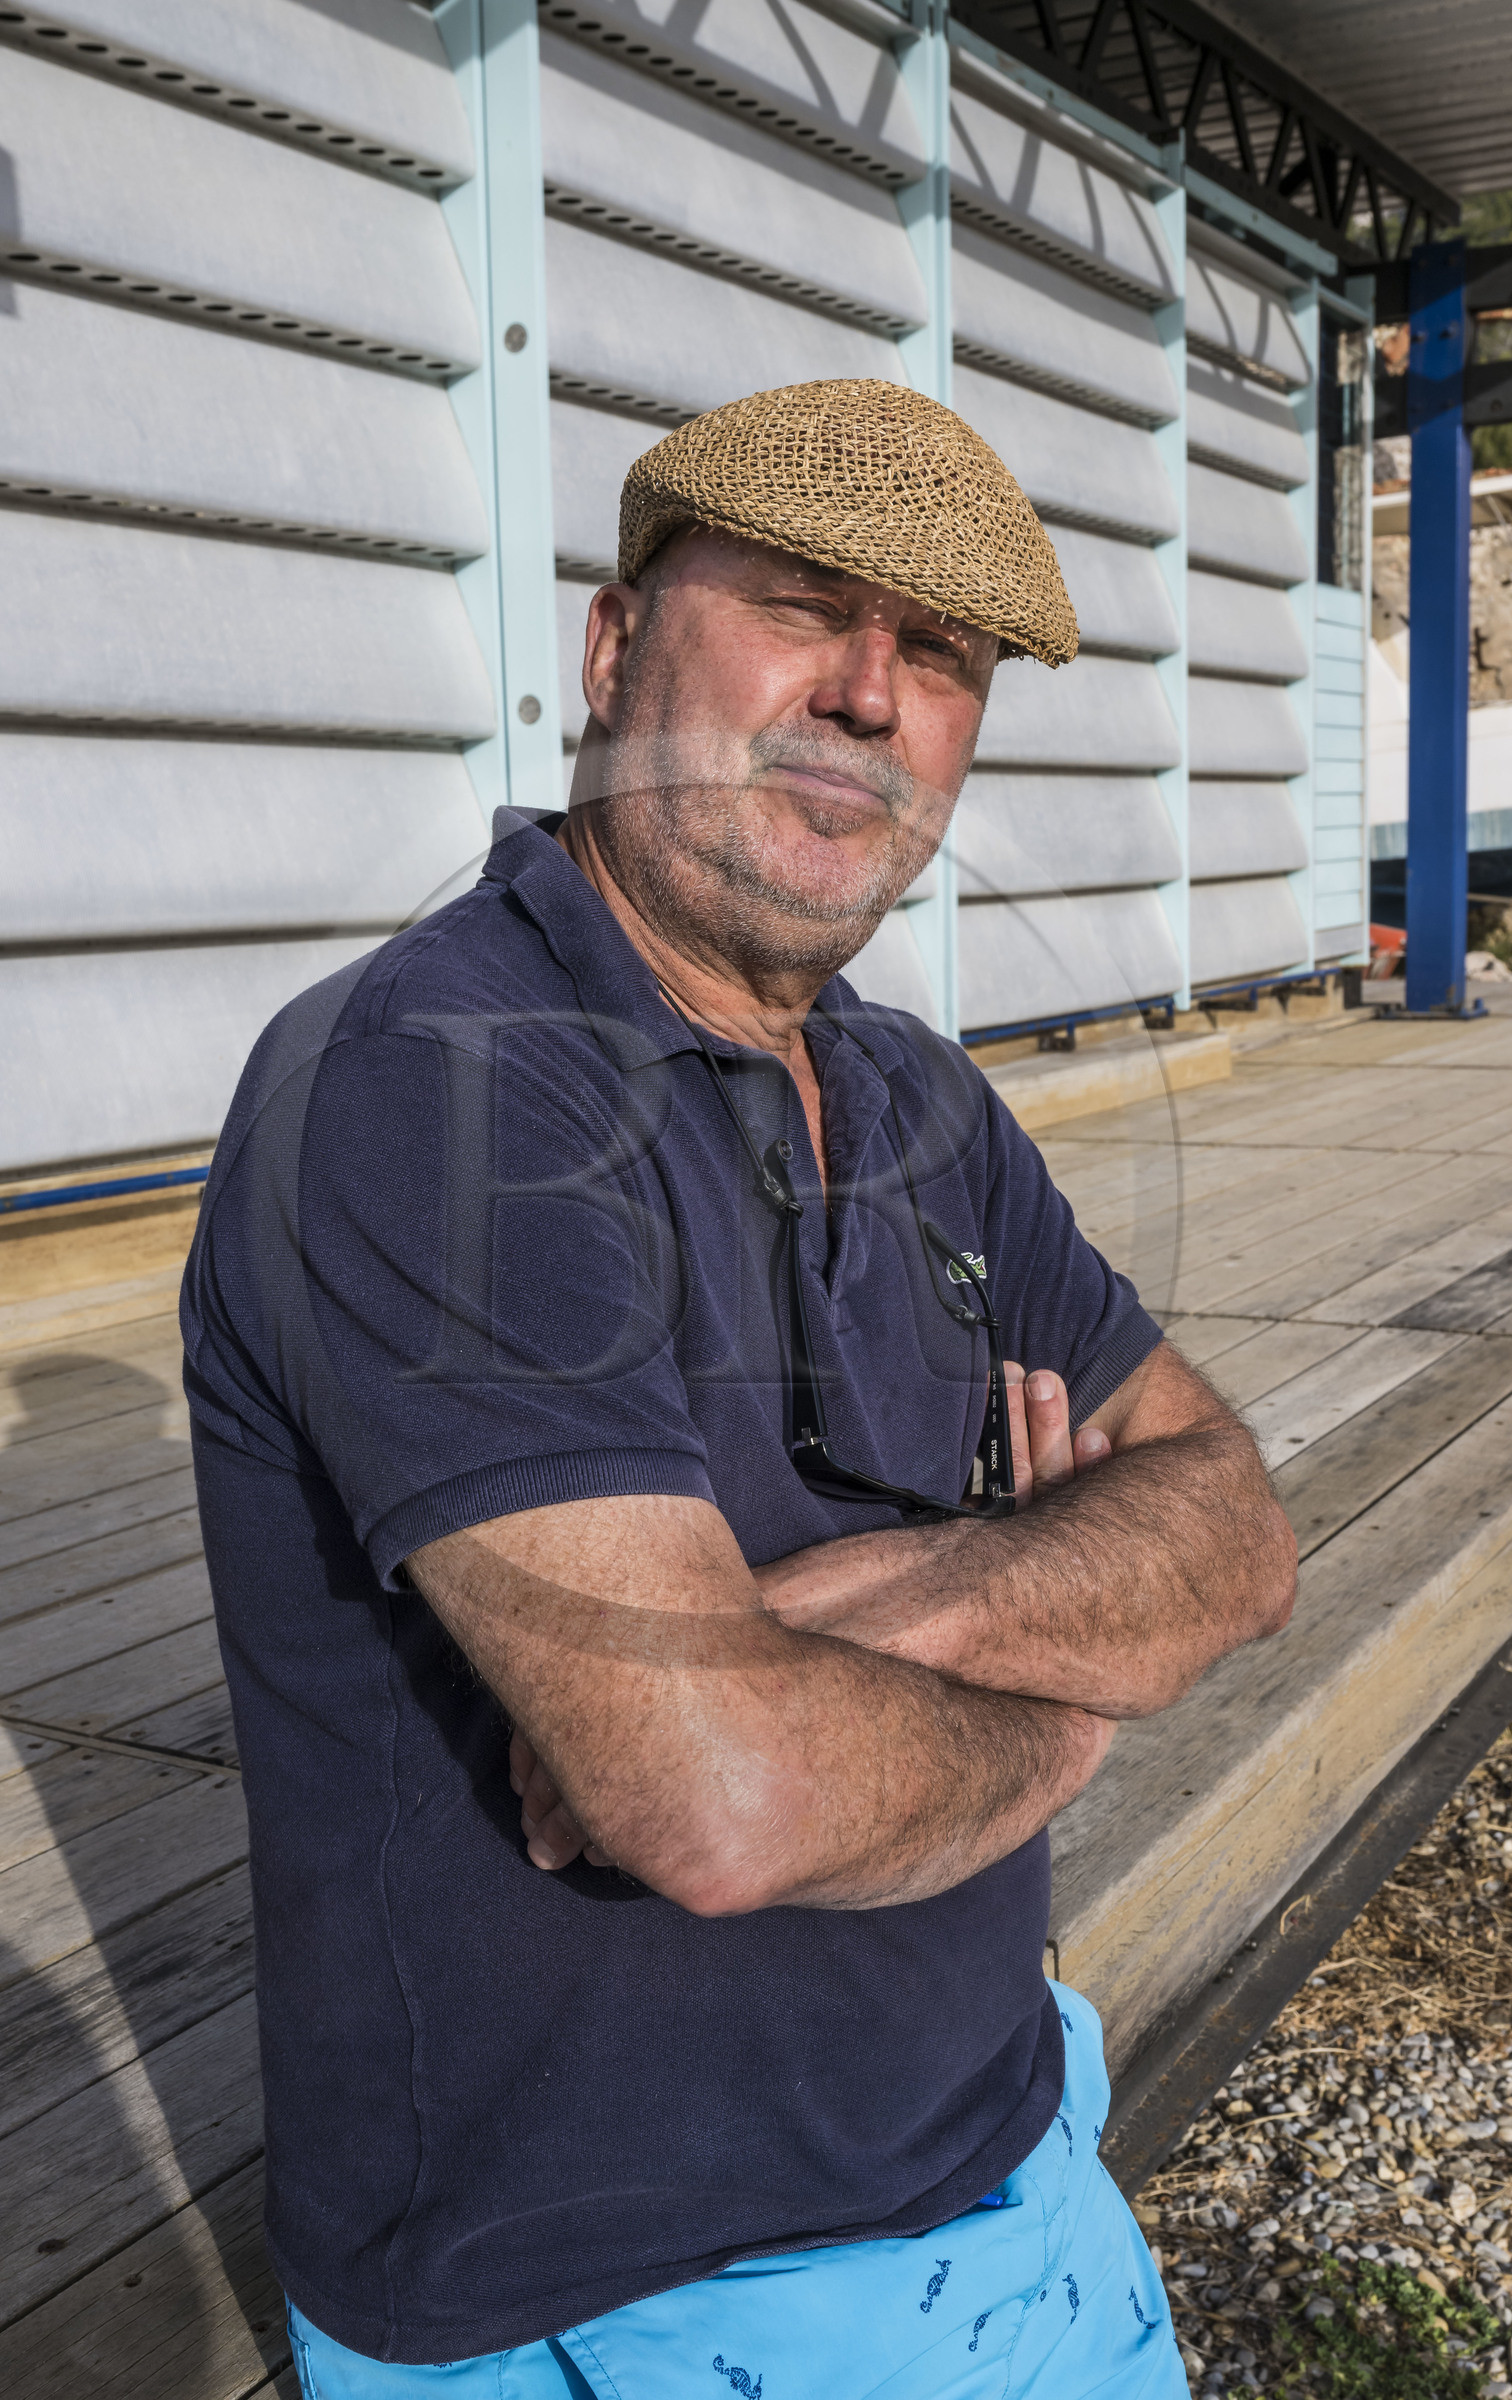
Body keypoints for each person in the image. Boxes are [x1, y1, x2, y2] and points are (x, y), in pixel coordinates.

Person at [182, 378, 1297, 2399]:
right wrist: (1083, 1688)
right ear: (615, 652)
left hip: (1014, 2147)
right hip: (617, 2298)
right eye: (799, 605)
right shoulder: (431, 1086)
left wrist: (906, 1606)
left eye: (940, 656)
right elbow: (718, 1801)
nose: (870, 695)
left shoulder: (917, 1095)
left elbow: (1232, 1523)